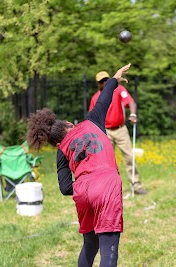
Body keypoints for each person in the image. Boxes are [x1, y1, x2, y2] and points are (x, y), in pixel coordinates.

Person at [27, 64, 131, 267]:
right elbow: (105, 97)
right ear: (70, 125)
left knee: (90, 244)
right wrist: (115, 78)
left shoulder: (61, 150)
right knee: (108, 247)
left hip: (83, 191)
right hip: (106, 184)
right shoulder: (92, 121)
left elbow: (65, 188)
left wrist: (85, 184)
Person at [89, 70, 147, 195]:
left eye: (106, 80)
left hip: (121, 130)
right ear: (98, 84)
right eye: (101, 81)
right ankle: (108, 188)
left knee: (129, 157)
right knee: (106, 161)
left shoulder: (119, 90)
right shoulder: (95, 98)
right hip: (105, 132)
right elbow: (93, 116)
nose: (104, 83)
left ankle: (136, 185)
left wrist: (132, 114)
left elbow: (130, 102)